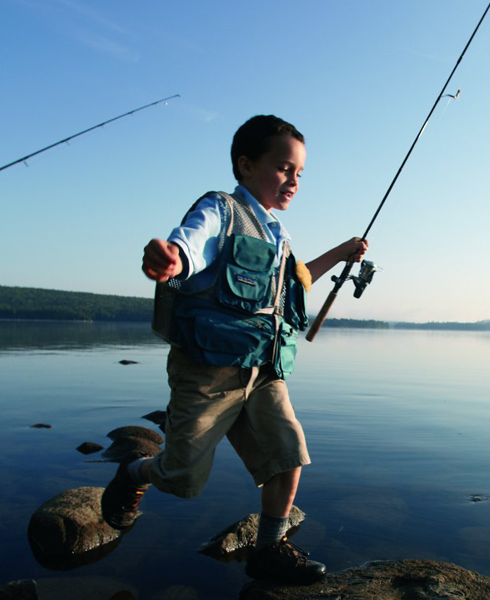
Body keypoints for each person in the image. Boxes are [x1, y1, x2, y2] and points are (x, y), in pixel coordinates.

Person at [104, 115, 367, 585]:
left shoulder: (278, 233)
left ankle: (269, 548)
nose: (293, 181)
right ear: (246, 165)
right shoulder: (219, 210)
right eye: (284, 168)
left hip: (264, 371)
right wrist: (168, 259)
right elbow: (188, 247)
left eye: (300, 173)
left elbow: (299, 280)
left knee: (289, 456)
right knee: (182, 478)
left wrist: (342, 252)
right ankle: (133, 471)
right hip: (207, 372)